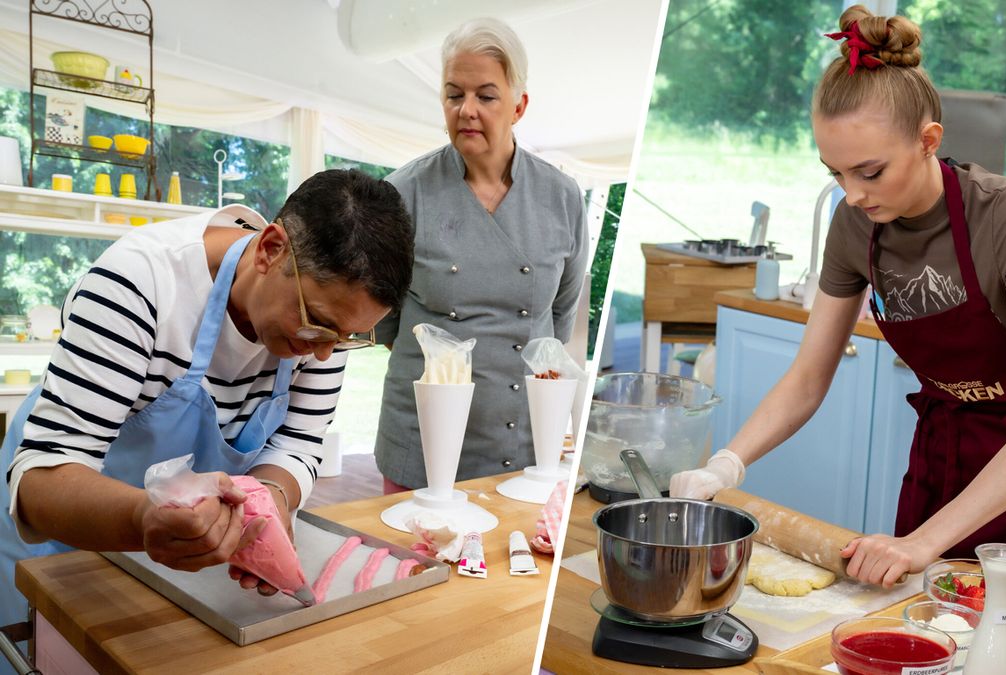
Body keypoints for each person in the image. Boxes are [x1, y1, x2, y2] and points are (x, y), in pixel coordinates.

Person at [670, 5, 1006, 587]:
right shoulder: (855, 226)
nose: (851, 195)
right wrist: (726, 464)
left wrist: (923, 542)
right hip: (942, 459)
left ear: (929, 141)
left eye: (870, 172)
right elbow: (807, 378)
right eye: (836, 173)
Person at [0, 170, 414, 636]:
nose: (322, 352)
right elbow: (41, 482)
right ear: (270, 249)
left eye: (345, 338)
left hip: (173, 566)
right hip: (63, 544)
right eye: (316, 323)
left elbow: (297, 445)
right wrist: (144, 519)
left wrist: (270, 503)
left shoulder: (325, 328)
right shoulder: (140, 283)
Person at [373, 17, 588, 492]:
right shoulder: (403, 192)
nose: (467, 110)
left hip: (520, 441)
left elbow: (557, 318)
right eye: (454, 95)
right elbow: (381, 320)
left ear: (519, 105)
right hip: (420, 437)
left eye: (486, 96)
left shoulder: (562, 197)